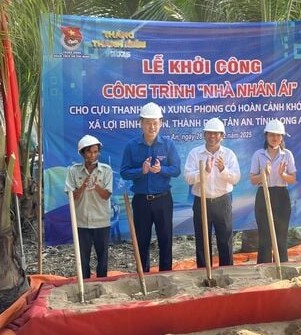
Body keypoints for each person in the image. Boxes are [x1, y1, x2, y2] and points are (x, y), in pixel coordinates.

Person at [120, 102, 181, 272]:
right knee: (142, 240)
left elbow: (176, 170)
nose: (152, 127)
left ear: (161, 123)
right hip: (141, 201)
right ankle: (143, 276)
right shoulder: (131, 146)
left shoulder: (168, 145)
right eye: (148, 122)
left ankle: (166, 274)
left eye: (155, 122)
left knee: (165, 239)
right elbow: (124, 172)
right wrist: (142, 170)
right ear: (141, 123)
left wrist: (162, 170)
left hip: (163, 200)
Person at [184, 118, 241, 268]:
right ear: (204, 134)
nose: (212, 136)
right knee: (202, 239)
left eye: (216, 133)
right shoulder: (195, 154)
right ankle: (204, 271)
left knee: (225, 239)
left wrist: (223, 170)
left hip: (223, 201)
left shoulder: (229, 155)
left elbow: (235, 178)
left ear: (222, 136)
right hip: (201, 201)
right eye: (209, 133)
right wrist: (204, 171)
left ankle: (227, 270)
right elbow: (188, 178)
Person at [65, 135, 113, 279]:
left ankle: (102, 282)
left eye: (95, 151)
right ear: (82, 153)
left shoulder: (106, 170)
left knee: (103, 256)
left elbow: (106, 195)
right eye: (89, 152)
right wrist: (83, 185)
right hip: (81, 221)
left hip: (101, 220)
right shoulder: (73, 171)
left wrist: (96, 185)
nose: (93, 155)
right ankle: (84, 283)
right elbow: (71, 197)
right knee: (83, 257)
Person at [250, 119, 296, 263]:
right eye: (271, 135)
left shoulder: (287, 154)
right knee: (265, 236)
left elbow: (293, 179)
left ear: (282, 137)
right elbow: (253, 180)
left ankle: (282, 266)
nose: (274, 138)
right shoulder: (258, 154)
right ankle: (263, 269)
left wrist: (283, 175)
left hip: (281, 195)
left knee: (281, 235)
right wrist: (264, 174)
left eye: (278, 135)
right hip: (263, 194)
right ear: (266, 136)